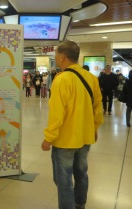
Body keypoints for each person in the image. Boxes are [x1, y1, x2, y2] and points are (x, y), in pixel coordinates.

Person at [41, 41, 104, 209]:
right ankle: (79, 204)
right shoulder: (91, 78)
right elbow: (98, 108)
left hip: (65, 141)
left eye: (56, 57)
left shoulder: (62, 80)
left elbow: (56, 114)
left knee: (64, 181)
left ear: (62, 57)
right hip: (85, 137)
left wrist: (48, 138)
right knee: (81, 174)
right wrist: (95, 128)